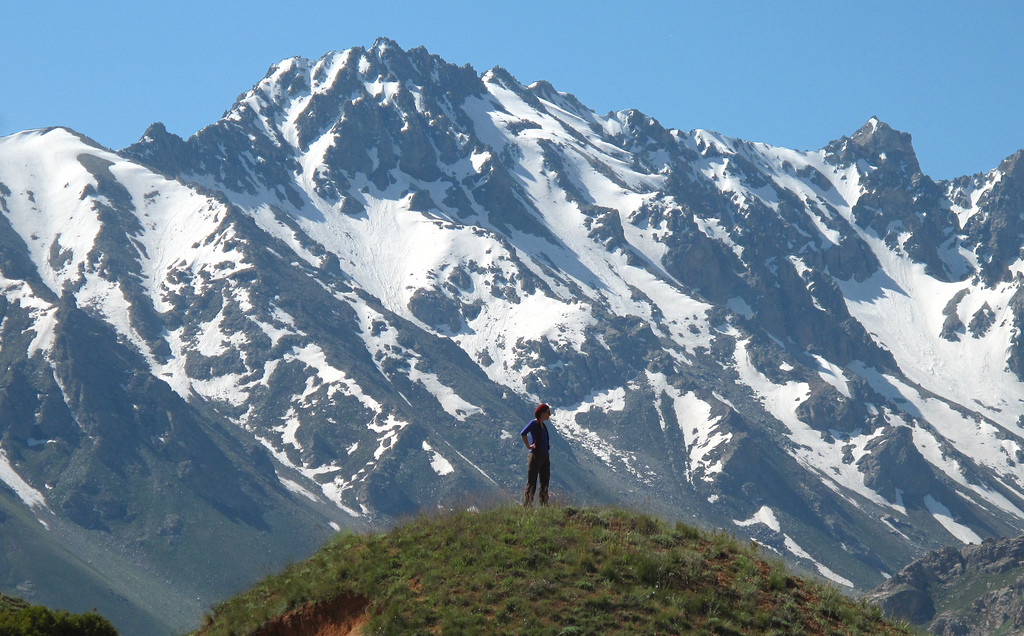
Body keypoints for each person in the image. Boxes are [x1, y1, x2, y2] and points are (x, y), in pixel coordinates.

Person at [520, 403, 552, 506]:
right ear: (542, 413)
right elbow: (523, 433)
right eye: (548, 412)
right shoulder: (534, 423)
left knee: (544, 482)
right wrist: (529, 446)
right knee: (532, 482)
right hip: (536, 455)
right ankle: (527, 505)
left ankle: (544, 504)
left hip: (545, 456)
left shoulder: (543, 425)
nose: (549, 415)